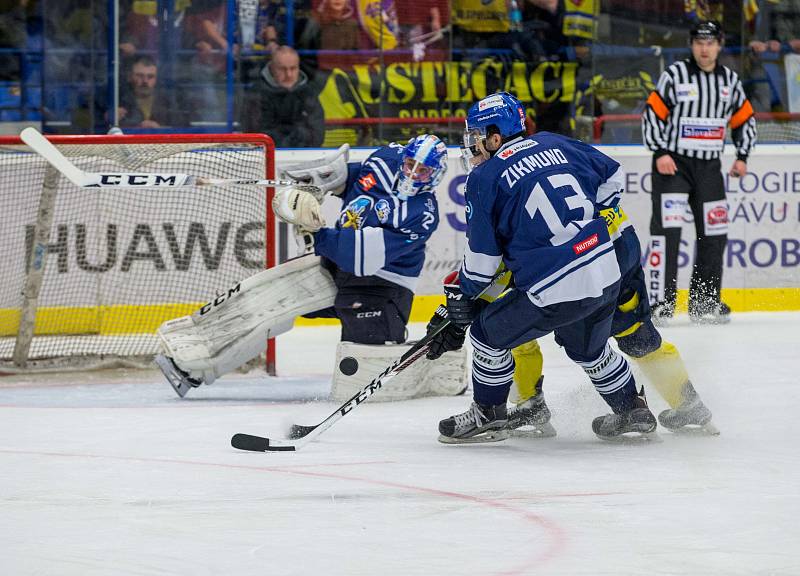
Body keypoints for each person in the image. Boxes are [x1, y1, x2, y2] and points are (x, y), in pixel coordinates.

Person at [424, 92, 657, 444]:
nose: (473, 145)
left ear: (496, 136)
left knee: (486, 336)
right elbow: (613, 176)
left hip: (555, 286)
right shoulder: (554, 143)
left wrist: (460, 300)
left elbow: (483, 265)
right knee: (588, 349)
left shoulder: (485, 177)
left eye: (476, 136)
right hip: (605, 270)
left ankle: (489, 414)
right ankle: (632, 408)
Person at [155, 134, 460, 402]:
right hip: (333, 266)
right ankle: (194, 368)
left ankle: (442, 367)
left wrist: (315, 233)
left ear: (436, 175)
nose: (412, 174)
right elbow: (350, 178)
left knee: (362, 375)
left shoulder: (422, 214)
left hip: (381, 288)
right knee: (265, 302)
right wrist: (315, 185)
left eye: (423, 171)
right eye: (410, 165)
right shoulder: (385, 160)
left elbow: (362, 256)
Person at [642, 20, 757, 325]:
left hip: (709, 169)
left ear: (719, 44)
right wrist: (660, 151)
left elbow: (745, 119)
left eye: (710, 43)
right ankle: (660, 302)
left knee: (714, 234)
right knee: (667, 234)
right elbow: (652, 114)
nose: (704, 49)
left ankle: (704, 302)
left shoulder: (729, 81)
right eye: (698, 42)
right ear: (692, 45)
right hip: (673, 168)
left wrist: (742, 155)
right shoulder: (675, 76)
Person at [241, 45, 325, 148]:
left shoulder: (309, 93)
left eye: (293, 68)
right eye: (282, 69)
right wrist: (297, 134)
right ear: (272, 68)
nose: (289, 74)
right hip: (266, 157)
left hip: (304, 156)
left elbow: (317, 133)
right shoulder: (256, 94)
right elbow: (256, 134)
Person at [117, 54, 187, 128]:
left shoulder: (168, 102)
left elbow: (183, 128)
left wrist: (160, 131)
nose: (145, 81)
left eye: (150, 76)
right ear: (129, 77)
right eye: (140, 75)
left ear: (156, 79)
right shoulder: (118, 100)